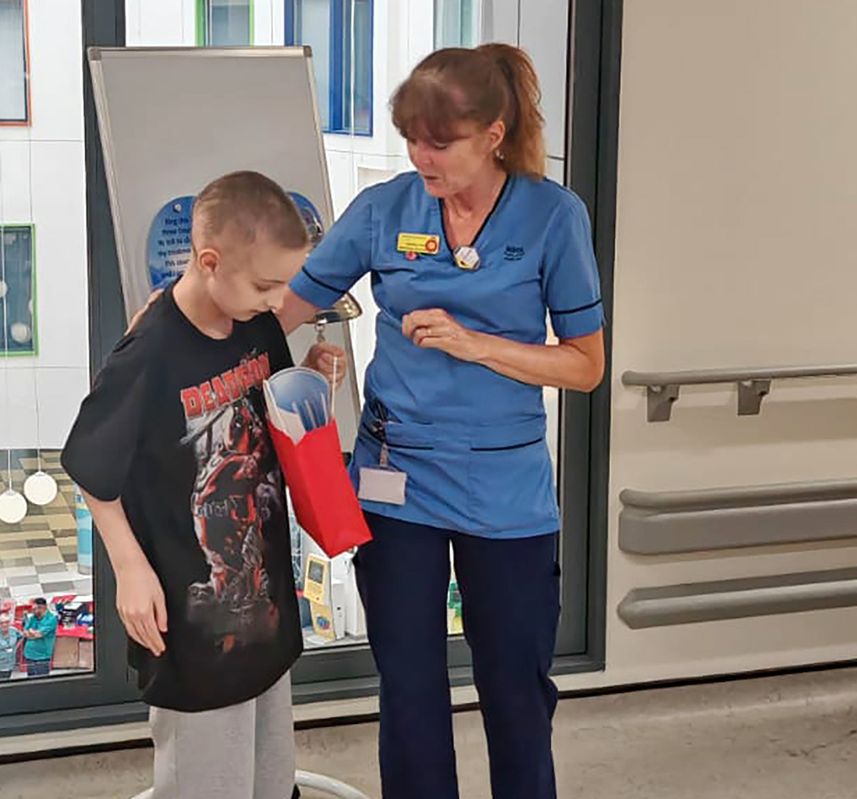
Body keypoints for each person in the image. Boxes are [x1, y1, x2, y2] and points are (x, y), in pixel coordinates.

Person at [276, 43, 605, 799]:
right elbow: (286, 307)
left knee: (515, 691)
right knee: (410, 688)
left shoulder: (553, 217)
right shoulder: (386, 208)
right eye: (412, 139)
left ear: (492, 133)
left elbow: (584, 366)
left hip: (506, 490)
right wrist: (191, 315)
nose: (422, 156)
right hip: (399, 483)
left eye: (440, 142)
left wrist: (474, 343)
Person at [62, 171, 332, 799]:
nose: (278, 301)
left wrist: (318, 382)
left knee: (269, 781)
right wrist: (129, 568)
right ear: (209, 262)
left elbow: (273, 425)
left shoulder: (256, 324)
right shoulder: (149, 351)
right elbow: (91, 465)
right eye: (266, 285)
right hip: (191, 623)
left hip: (265, 607)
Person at [20, 598, 57, 678]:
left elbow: (38, 634)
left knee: (41, 681)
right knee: (30, 679)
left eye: (36, 608)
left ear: (43, 608)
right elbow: (25, 633)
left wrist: (32, 633)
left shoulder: (51, 619)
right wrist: (31, 633)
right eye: (33, 608)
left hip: (42, 656)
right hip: (30, 655)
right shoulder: (32, 618)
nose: (34, 611)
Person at [0, 613, 21, 680]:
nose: (4, 625)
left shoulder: (13, 631)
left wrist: (16, 648)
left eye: (7, 622)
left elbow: (22, 636)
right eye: (1, 623)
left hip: (10, 663)